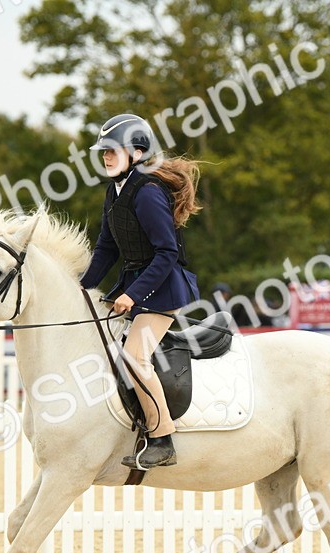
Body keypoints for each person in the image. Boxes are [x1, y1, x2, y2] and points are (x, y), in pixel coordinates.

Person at [79, 113, 202, 469]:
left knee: (134, 357)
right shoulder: (114, 190)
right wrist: (82, 286)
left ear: (136, 151)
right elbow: (106, 248)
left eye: (112, 151)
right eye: (102, 152)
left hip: (163, 289)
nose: (105, 157)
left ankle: (162, 437)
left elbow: (167, 253)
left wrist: (132, 295)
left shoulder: (147, 193)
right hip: (137, 286)